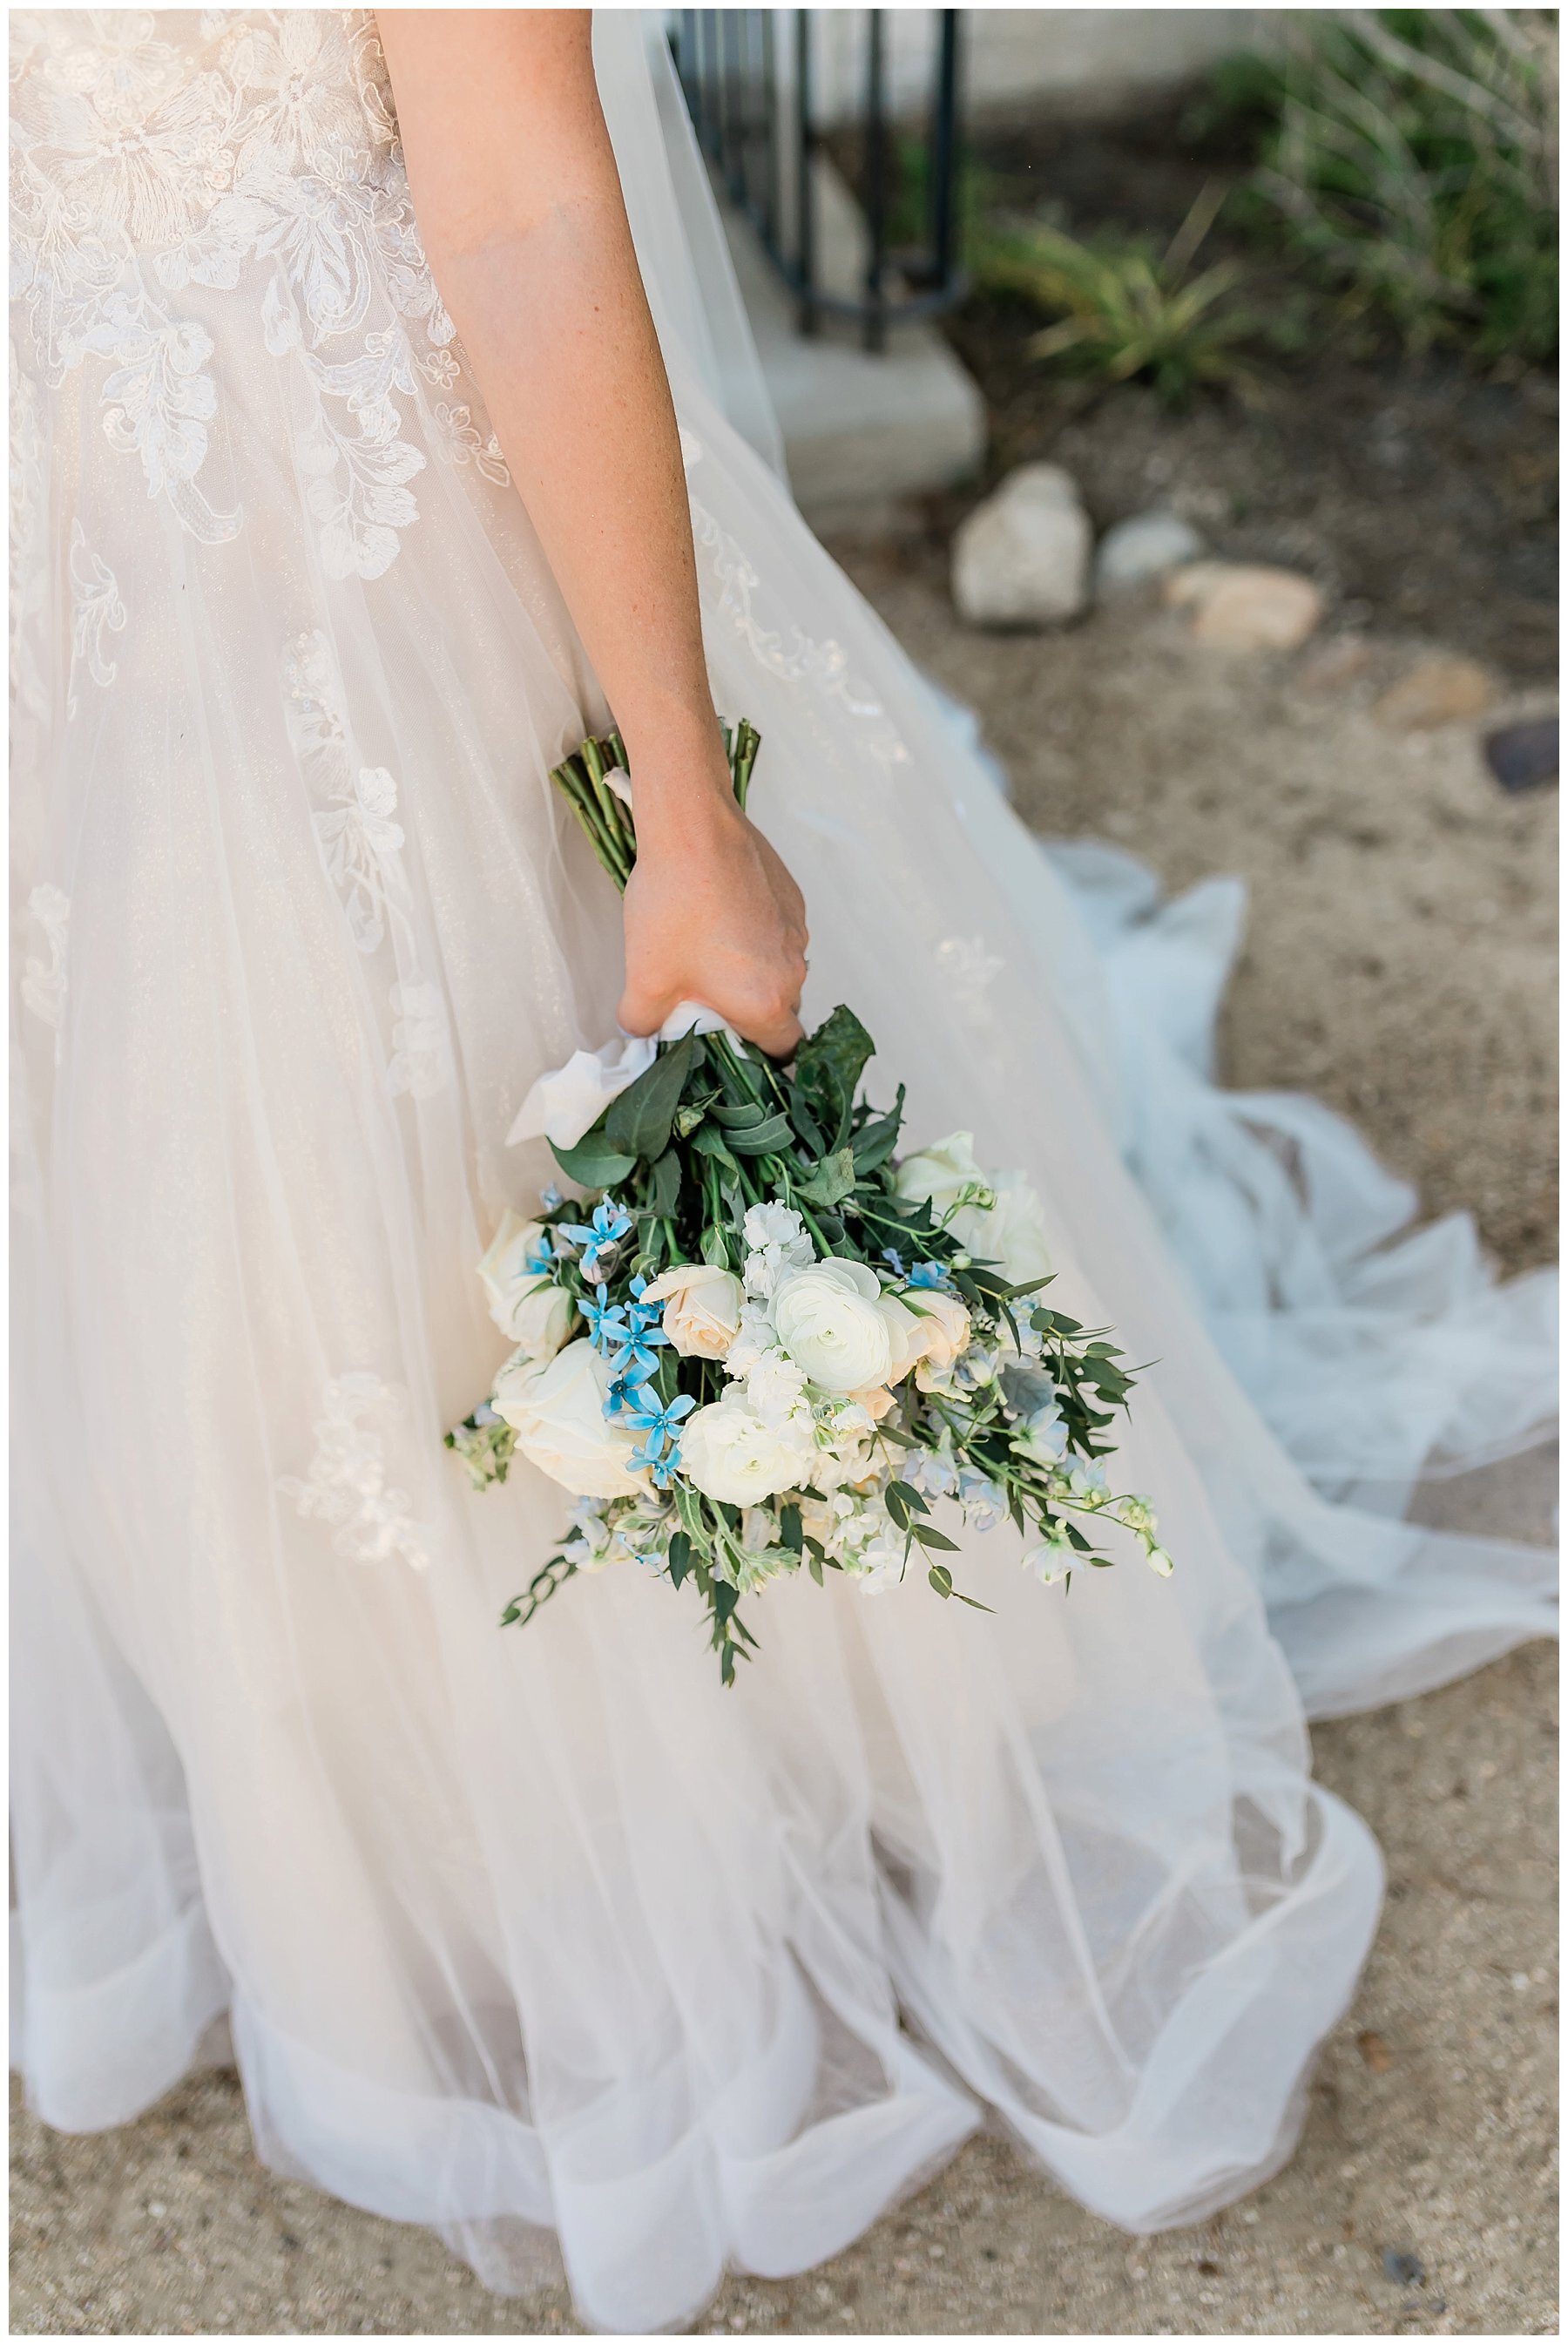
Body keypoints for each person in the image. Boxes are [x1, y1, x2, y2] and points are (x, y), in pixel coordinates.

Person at [10, 12, 1554, 2334]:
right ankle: (311, 1773)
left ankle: (655, 1758)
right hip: (87, 593)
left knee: (505, 1173)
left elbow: (526, 202)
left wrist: (690, 816)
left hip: (394, 567)